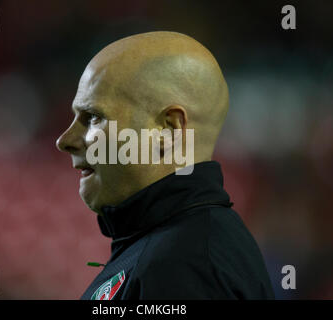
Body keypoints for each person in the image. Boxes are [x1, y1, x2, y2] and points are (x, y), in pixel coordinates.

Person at [56, 31, 275, 299]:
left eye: (92, 117)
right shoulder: (176, 247)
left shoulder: (185, 265)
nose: (64, 140)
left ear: (168, 129)